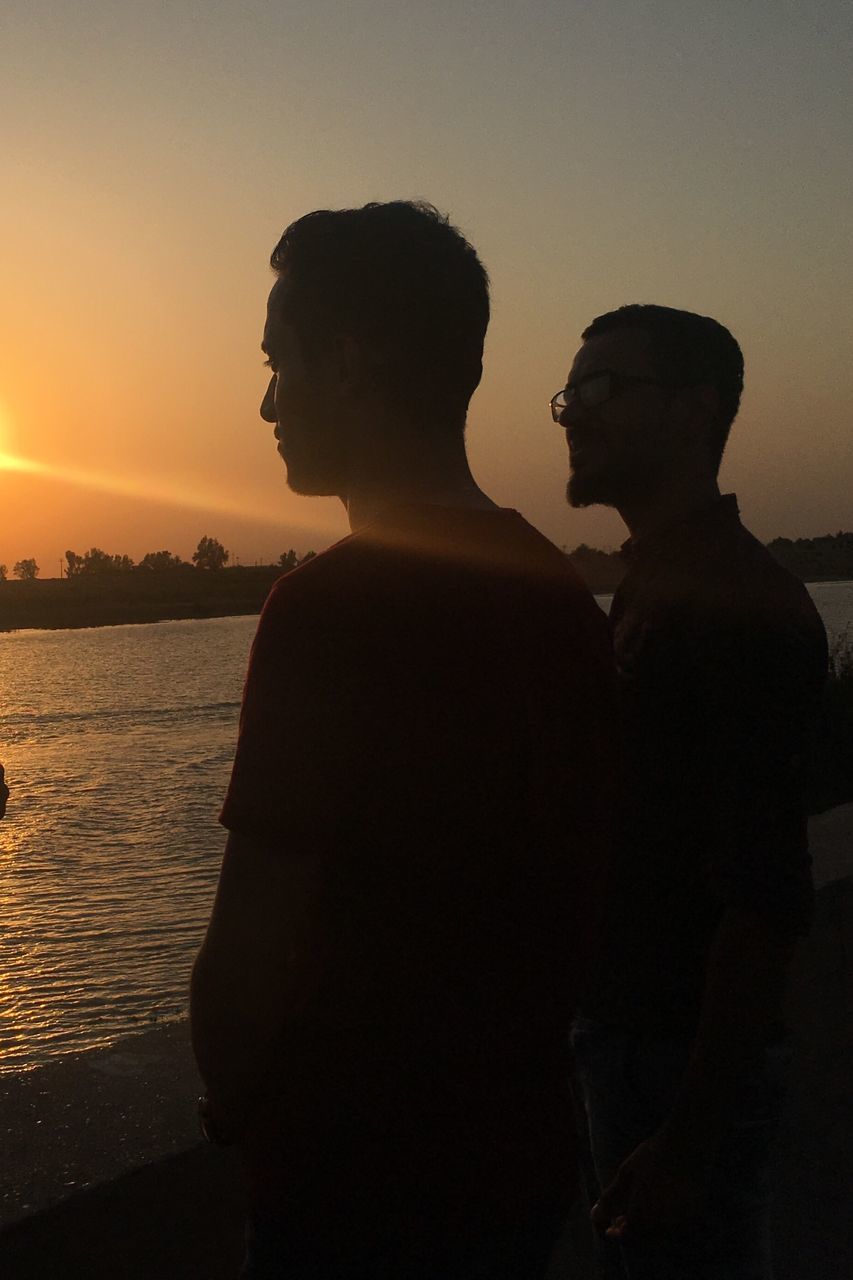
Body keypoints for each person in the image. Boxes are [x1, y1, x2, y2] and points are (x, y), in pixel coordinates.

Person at [191, 201, 616, 1279]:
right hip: (516, 1163)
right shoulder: (557, 591)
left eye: (278, 363)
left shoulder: (329, 609)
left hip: (358, 1185)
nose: (265, 402)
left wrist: (234, 1107)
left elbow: (253, 941)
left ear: (351, 359)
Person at [552, 304, 829, 1279]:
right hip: (632, 1045)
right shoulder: (658, 585)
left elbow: (762, 894)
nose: (570, 416)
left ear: (691, 411)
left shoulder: (733, 603)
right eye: (567, 395)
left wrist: (688, 1137)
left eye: (598, 390)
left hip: (675, 1066)